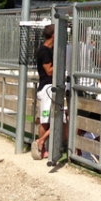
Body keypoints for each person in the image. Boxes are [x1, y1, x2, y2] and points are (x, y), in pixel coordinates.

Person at [33, 24, 55, 161]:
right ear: (53, 35)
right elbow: (49, 71)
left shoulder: (50, 50)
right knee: (45, 120)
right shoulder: (44, 51)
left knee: (55, 120)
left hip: (50, 88)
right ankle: (41, 144)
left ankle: (42, 144)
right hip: (47, 88)